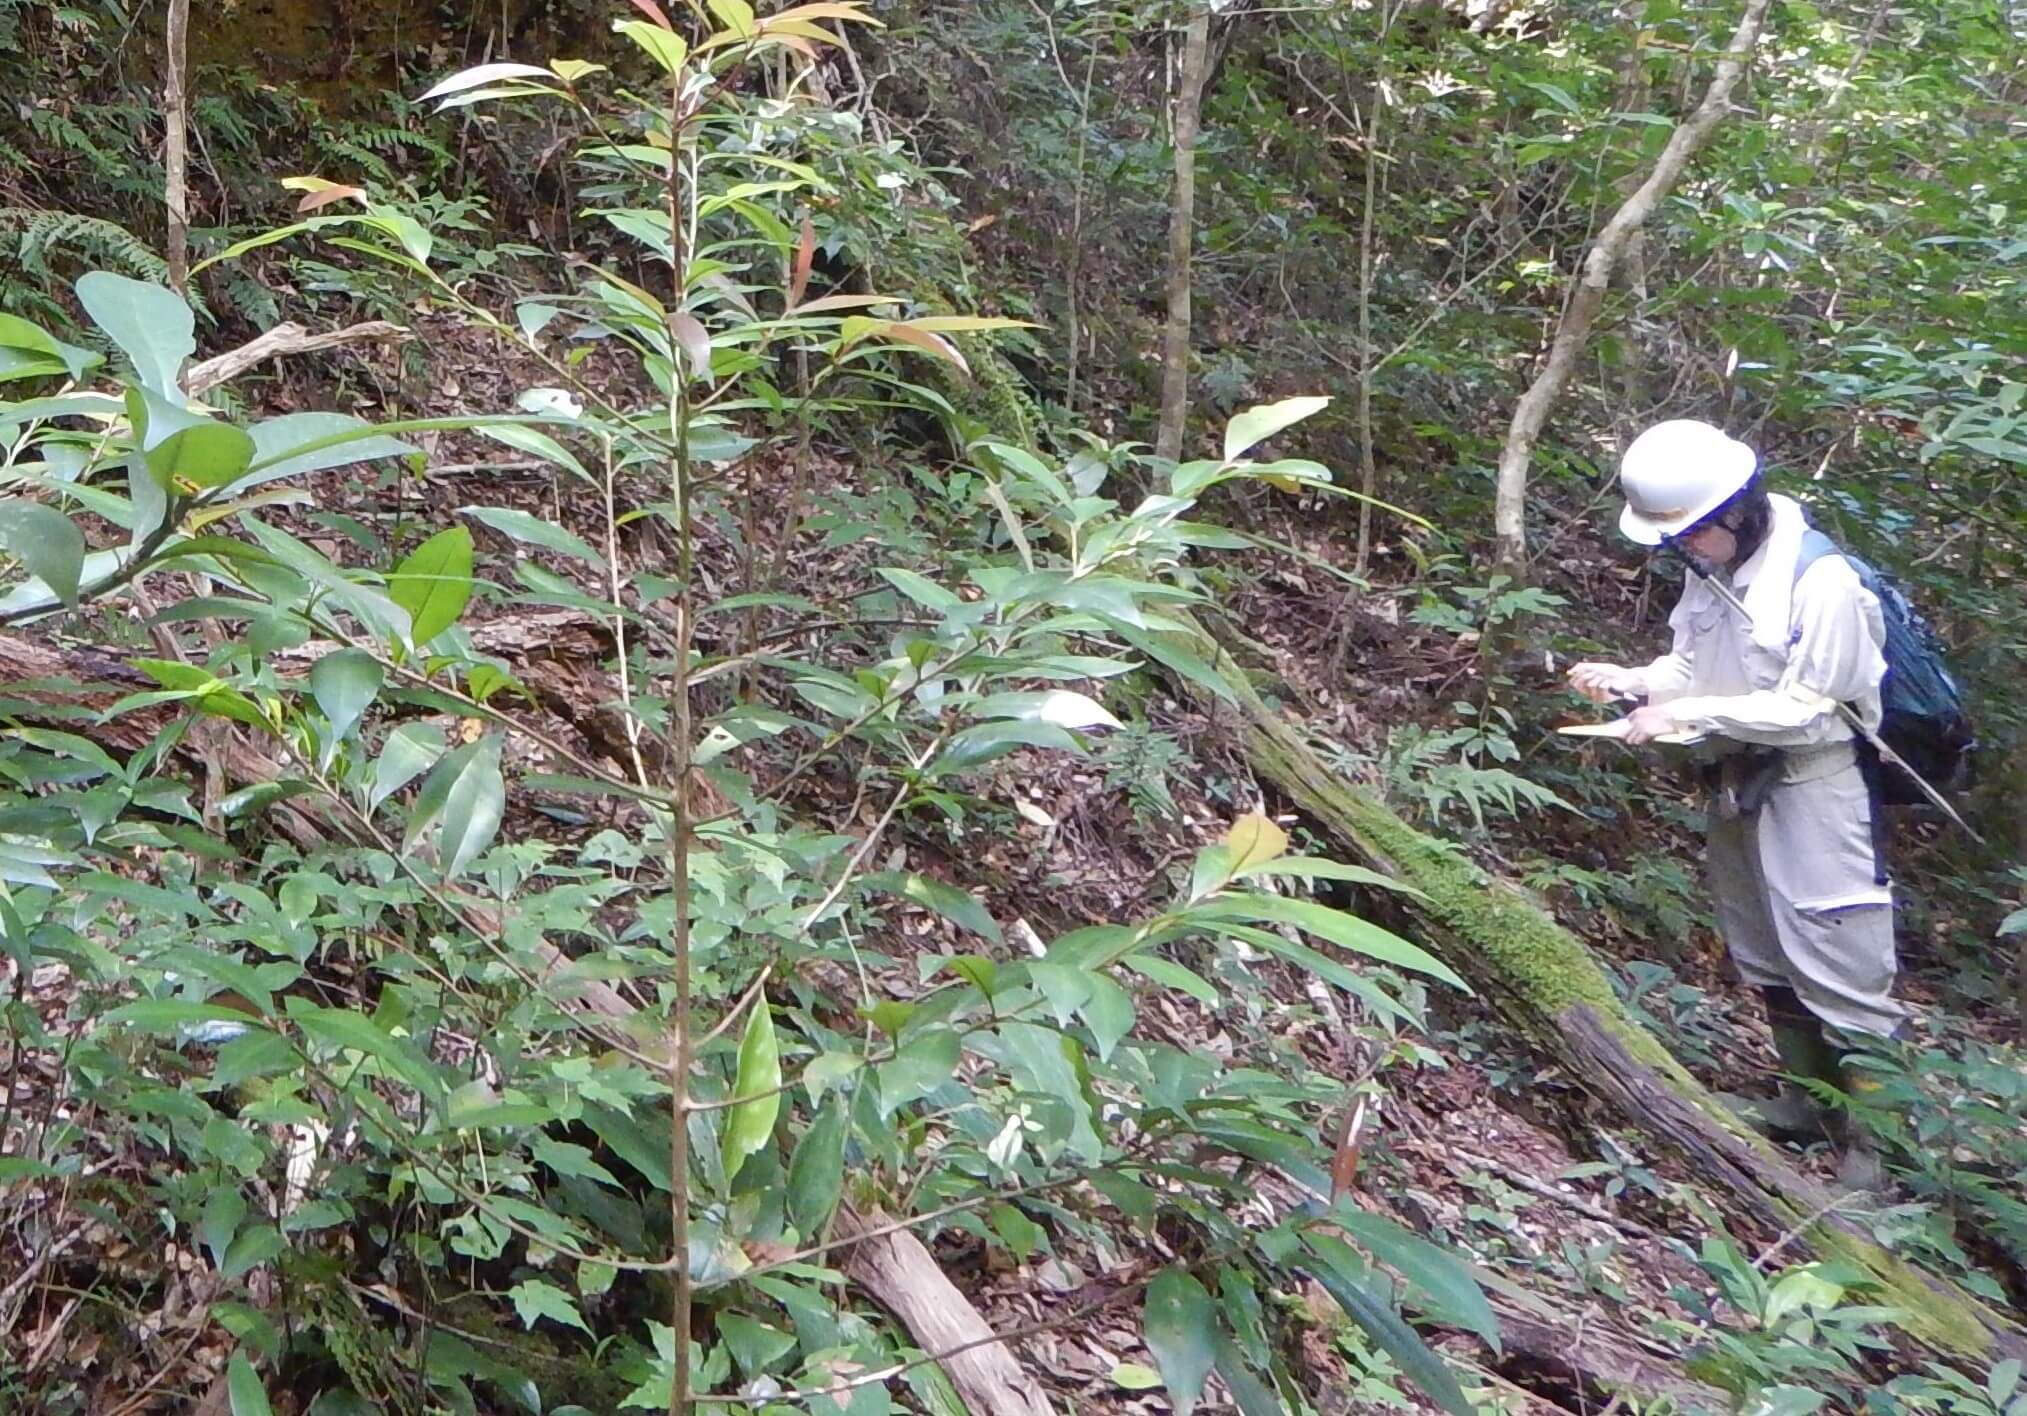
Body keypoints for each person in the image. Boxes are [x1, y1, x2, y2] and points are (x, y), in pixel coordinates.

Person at [1566, 418, 1904, 1190]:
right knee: (1761, 946)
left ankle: (1876, 1154)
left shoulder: (1823, 585)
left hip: (1815, 783)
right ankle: (1804, 1102)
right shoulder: (1709, 567)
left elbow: (1813, 710)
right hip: (1736, 779)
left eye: (1688, 534)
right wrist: (1635, 682)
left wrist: (1694, 717)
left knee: (1838, 953)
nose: (1679, 550)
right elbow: (1695, 664)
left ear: (1735, 512)